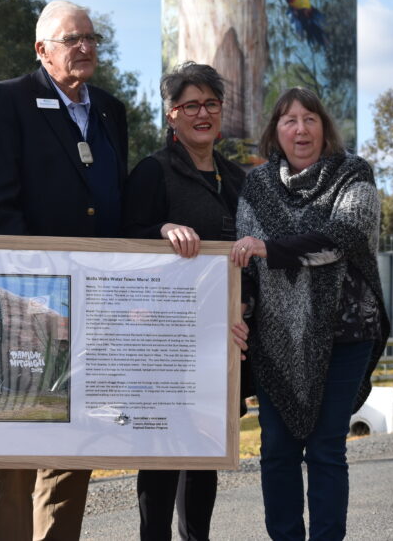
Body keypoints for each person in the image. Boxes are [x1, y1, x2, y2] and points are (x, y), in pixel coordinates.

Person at [0, 0, 128, 541]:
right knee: (23, 430)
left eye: (90, 37)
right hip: (31, 296)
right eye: (71, 39)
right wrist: (35, 291)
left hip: (96, 300)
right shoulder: (9, 99)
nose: (84, 47)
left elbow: (115, 202)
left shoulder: (111, 109)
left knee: (75, 438)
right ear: (42, 50)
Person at [230, 87, 390, 541]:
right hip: (275, 335)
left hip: (345, 333)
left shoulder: (353, 174)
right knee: (277, 450)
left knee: (324, 449)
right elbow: (246, 264)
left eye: (310, 119)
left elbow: (344, 235)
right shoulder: (257, 187)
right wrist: (240, 308)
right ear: (275, 132)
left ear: (325, 127)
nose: (300, 129)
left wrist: (272, 248)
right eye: (289, 120)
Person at [122, 62, 246, 541]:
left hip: (220, 339)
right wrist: (161, 230)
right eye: (190, 105)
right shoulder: (152, 173)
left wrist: (242, 313)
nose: (202, 113)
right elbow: (125, 243)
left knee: (203, 456)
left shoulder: (238, 180)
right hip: (162, 341)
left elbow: (248, 254)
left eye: (211, 104)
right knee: (161, 454)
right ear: (171, 115)